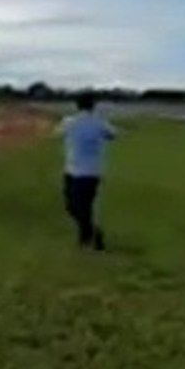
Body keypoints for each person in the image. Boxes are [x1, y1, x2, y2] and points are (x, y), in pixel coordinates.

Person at [56, 92, 118, 251]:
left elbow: (57, 133)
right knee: (85, 206)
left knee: (73, 206)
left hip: (73, 170)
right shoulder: (99, 122)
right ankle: (88, 234)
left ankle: (89, 234)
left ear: (77, 105)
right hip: (92, 171)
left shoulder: (70, 122)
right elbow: (113, 134)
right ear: (93, 105)